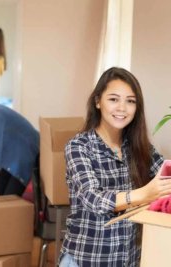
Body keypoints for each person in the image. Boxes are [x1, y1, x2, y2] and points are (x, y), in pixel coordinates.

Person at [59, 67, 171, 267]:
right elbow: (93, 198)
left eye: (130, 101)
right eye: (113, 99)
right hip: (86, 260)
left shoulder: (140, 148)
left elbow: (166, 174)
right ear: (98, 101)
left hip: (127, 260)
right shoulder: (78, 147)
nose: (122, 108)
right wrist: (145, 193)